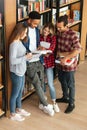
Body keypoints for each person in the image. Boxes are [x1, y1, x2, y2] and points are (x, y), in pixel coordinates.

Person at [22, 11, 54, 116]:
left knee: (41, 82)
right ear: (29, 20)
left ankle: (41, 104)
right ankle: (46, 105)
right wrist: (28, 52)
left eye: (37, 23)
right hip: (29, 61)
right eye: (35, 23)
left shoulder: (36, 30)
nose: (36, 25)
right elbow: (21, 46)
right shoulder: (22, 30)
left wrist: (40, 47)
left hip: (38, 58)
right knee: (36, 83)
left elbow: (36, 42)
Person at [56, 15, 82, 113]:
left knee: (70, 84)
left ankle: (71, 103)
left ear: (66, 26)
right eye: (57, 27)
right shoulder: (58, 33)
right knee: (62, 80)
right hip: (59, 63)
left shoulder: (73, 35)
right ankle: (65, 97)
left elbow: (78, 49)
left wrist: (66, 57)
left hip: (69, 64)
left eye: (60, 27)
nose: (58, 29)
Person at [9, 23, 32, 121]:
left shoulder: (19, 41)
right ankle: (12, 114)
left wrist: (27, 56)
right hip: (16, 73)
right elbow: (12, 61)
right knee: (15, 94)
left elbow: (20, 56)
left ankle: (18, 109)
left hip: (21, 71)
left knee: (20, 92)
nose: (26, 35)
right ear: (20, 32)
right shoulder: (14, 44)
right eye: (25, 32)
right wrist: (25, 57)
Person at [39, 22, 60, 113]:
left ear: (51, 31)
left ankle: (54, 102)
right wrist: (43, 50)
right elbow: (37, 47)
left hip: (49, 63)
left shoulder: (53, 37)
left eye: (48, 31)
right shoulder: (39, 36)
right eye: (45, 29)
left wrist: (43, 49)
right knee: (42, 83)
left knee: (50, 84)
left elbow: (52, 48)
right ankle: (43, 101)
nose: (46, 32)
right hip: (40, 62)